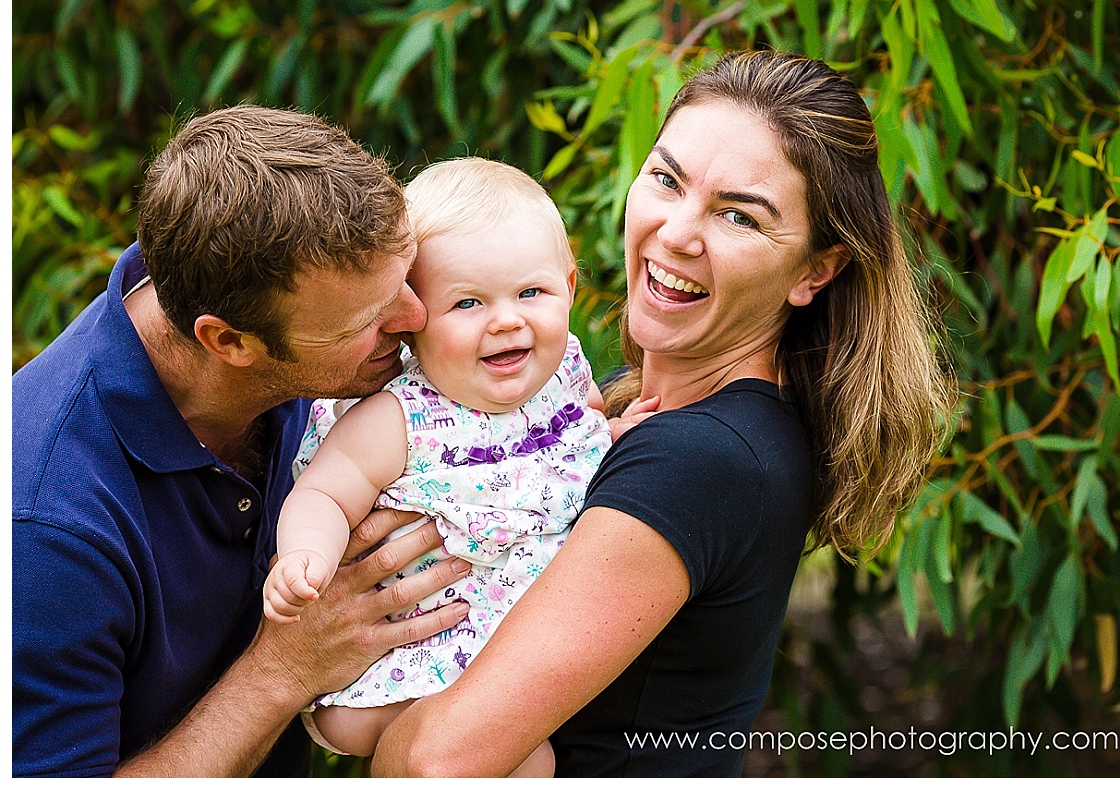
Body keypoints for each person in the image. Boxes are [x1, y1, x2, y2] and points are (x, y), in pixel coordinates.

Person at [369, 51, 958, 776]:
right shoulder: (622, 409)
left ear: (814, 271)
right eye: (667, 179)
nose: (677, 232)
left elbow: (432, 765)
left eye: (738, 215)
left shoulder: (700, 459)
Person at [12, 105, 476, 776]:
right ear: (229, 342)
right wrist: (281, 671)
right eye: (370, 320)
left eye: (408, 279)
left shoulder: (272, 299)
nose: (417, 317)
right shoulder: (45, 527)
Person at [262, 158, 656, 773]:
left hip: (519, 641)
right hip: (419, 655)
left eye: (532, 292)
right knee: (531, 764)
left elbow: (567, 441)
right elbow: (323, 495)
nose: (506, 319)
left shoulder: (565, 371)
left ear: (570, 287)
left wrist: (611, 436)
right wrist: (303, 560)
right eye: (468, 302)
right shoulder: (397, 419)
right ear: (413, 323)